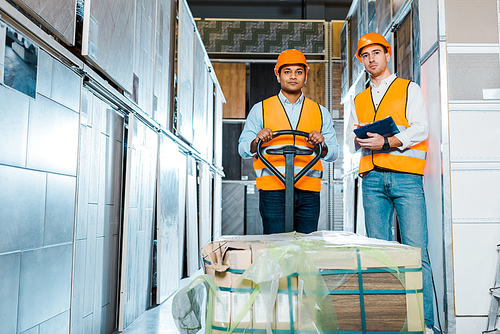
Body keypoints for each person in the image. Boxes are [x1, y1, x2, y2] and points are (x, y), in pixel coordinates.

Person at [346, 32, 434, 333]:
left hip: (406, 179)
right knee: (378, 255)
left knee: (416, 252)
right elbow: (350, 141)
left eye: (376, 53)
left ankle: (425, 324)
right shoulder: (359, 98)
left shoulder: (409, 89)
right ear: (362, 61)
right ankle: (386, 322)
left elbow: (421, 129)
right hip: (371, 180)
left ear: (387, 55)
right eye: (365, 55)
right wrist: (360, 141)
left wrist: (388, 140)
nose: (371, 59)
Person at [238, 49, 339, 234]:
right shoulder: (260, 109)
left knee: (305, 248)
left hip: (308, 191)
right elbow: (243, 149)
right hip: (272, 191)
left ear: (305, 77)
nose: (293, 76)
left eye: (299, 72)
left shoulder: (320, 112)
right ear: (278, 76)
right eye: (287, 72)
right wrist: (257, 140)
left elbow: (333, 153)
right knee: (277, 248)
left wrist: (322, 145)